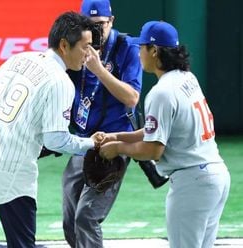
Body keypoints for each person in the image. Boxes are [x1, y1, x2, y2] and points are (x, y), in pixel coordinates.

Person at [0, 11, 104, 248]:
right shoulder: (60, 81)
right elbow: (55, 140)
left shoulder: (18, 59)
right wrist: (90, 144)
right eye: (85, 47)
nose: (90, 54)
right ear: (64, 45)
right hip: (11, 175)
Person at [99, 21, 231, 248]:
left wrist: (118, 148)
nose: (139, 52)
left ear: (154, 50)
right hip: (215, 175)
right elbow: (159, 131)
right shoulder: (186, 78)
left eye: (142, 47)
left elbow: (153, 150)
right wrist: (119, 136)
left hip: (192, 183)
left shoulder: (161, 93)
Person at [62, 0, 142, 247]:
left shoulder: (126, 47)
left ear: (112, 21)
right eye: (90, 26)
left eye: (101, 25)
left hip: (114, 141)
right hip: (85, 139)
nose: (97, 32)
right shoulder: (77, 47)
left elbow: (131, 98)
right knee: (70, 215)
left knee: (87, 216)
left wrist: (99, 70)